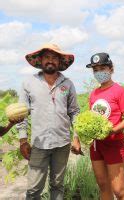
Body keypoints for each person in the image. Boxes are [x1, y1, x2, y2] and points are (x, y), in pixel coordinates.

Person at [16, 44, 82, 200]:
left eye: (54, 58)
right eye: (47, 57)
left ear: (59, 62)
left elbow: (74, 112)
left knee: (58, 186)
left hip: (62, 143)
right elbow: (21, 114)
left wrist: (76, 137)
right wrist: (23, 140)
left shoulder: (67, 83)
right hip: (39, 143)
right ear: (40, 60)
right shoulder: (29, 83)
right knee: (33, 189)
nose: (50, 61)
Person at [86, 52, 124, 200]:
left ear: (111, 69)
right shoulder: (93, 94)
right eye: (95, 70)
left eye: (102, 68)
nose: (99, 72)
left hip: (113, 143)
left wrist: (112, 130)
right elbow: (91, 118)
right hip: (96, 145)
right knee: (103, 185)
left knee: (119, 189)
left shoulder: (119, 91)